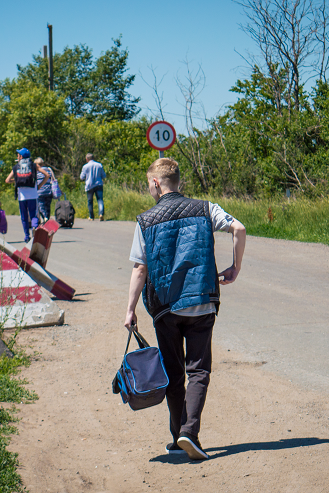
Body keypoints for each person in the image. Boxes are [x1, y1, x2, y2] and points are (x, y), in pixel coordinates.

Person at [123, 158, 247, 461]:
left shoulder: (145, 220)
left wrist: (130, 310)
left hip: (165, 307)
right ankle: (188, 433)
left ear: (155, 183)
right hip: (202, 300)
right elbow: (239, 228)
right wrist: (234, 268)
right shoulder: (206, 208)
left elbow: (140, 269)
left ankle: (181, 435)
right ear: (178, 181)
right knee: (199, 370)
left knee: (174, 373)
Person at [5, 148, 49, 242]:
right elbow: (47, 175)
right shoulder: (34, 165)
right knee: (34, 215)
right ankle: (34, 227)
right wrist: (39, 185)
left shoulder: (16, 166)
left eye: (18, 155)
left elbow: (7, 180)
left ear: (21, 156)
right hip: (33, 195)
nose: (17, 156)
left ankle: (26, 236)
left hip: (22, 197)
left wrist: (16, 181)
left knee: (24, 217)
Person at [80, 153, 105, 221]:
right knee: (100, 200)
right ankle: (101, 214)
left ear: (87, 159)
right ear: (93, 158)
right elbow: (104, 175)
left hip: (89, 185)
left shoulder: (85, 166)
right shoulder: (99, 165)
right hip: (99, 184)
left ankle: (91, 216)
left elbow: (82, 177)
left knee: (90, 201)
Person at [35, 157, 55, 224]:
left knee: (41, 205)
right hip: (49, 190)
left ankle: (44, 217)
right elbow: (53, 179)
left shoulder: (36, 171)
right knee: (47, 206)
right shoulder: (48, 169)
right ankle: (47, 219)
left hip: (39, 191)